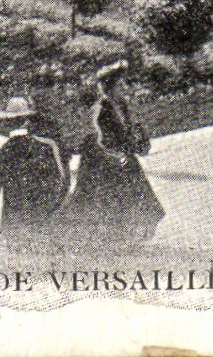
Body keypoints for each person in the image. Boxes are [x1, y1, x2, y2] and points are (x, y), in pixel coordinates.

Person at [59, 60, 164, 244]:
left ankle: (128, 237)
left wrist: (138, 140)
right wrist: (121, 151)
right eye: (120, 84)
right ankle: (107, 238)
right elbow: (101, 138)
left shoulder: (121, 105)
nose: (124, 87)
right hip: (106, 159)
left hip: (123, 158)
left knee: (140, 198)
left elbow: (128, 130)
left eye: (123, 83)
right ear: (111, 86)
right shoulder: (102, 108)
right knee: (102, 200)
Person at [0, 96, 68, 234]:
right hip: (42, 224)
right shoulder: (46, 148)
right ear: (26, 121)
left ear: (6, 123)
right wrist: (51, 213)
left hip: (12, 225)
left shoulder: (0, 155)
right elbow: (61, 184)